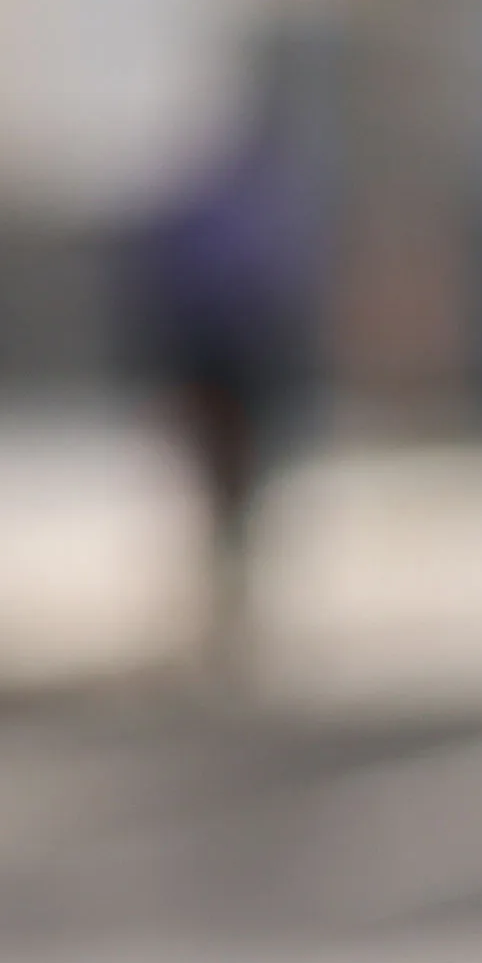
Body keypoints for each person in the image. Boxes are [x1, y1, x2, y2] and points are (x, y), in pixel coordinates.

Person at [127, 91, 326, 682]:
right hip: (232, 365)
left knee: (223, 488)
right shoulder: (253, 213)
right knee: (233, 488)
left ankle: (226, 589)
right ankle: (228, 590)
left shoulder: (208, 214)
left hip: (218, 365)